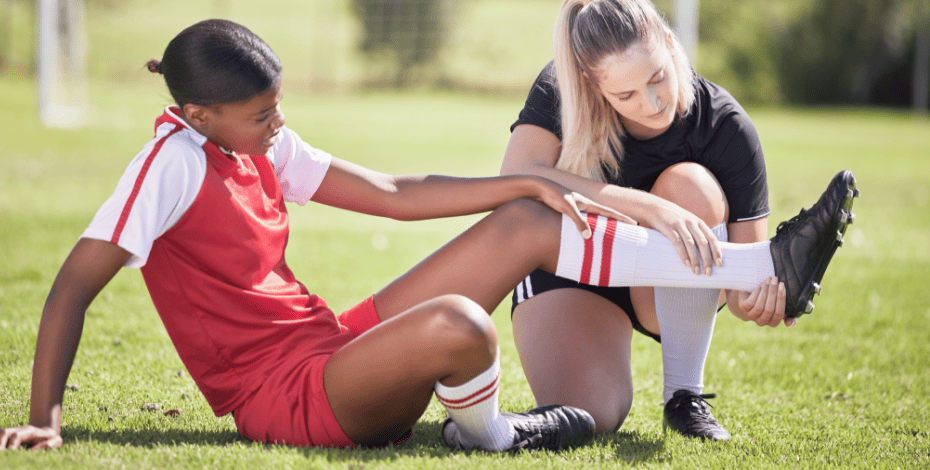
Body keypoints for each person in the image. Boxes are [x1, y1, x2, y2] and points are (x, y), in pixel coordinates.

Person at [0, 18, 854, 453]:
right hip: (283, 399)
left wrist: (534, 180)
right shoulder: (171, 166)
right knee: (462, 326)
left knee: (523, 221)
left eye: (278, 106)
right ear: (197, 114)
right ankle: (489, 435)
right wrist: (45, 420)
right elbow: (74, 284)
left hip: (327, 346)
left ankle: (759, 263)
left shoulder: (256, 141)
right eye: (262, 114)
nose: (278, 125)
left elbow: (397, 195)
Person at [500, 0, 857, 441]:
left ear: (670, 45)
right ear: (593, 85)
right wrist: (650, 209)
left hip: (663, 290)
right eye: (626, 96)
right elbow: (516, 176)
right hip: (573, 267)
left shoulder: (725, 127)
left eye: (658, 79)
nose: (651, 104)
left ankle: (685, 396)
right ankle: (492, 431)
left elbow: (739, 298)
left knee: (692, 185)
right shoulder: (563, 85)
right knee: (591, 415)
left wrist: (765, 295)